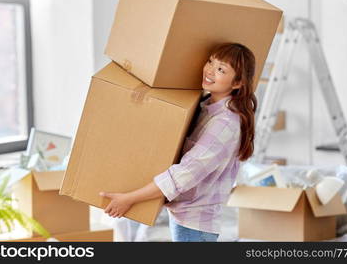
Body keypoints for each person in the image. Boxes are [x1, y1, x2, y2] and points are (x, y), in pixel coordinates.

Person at [99, 43, 257, 242]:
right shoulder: (206, 106)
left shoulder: (225, 124)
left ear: (237, 83)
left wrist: (129, 199)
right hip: (184, 219)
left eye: (220, 69)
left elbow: (183, 175)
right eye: (210, 62)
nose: (209, 70)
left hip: (195, 225)